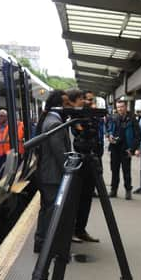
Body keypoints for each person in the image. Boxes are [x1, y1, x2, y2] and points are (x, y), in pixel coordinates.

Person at [34, 90, 71, 253]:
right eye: (66, 103)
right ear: (60, 105)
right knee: (51, 212)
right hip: (52, 175)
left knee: (45, 209)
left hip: (45, 173)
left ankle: (40, 242)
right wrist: (69, 172)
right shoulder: (55, 123)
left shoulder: (47, 119)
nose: (68, 107)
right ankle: (49, 247)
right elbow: (60, 154)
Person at [73, 90, 100, 243]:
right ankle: (72, 231)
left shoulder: (92, 117)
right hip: (79, 163)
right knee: (76, 199)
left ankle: (81, 229)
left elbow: (94, 136)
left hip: (92, 160)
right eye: (87, 100)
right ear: (81, 100)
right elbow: (78, 136)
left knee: (86, 199)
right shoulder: (76, 118)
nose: (90, 102)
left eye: (92, 100)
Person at [107, 101, 141, 200]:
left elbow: (138, 135)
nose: (120, 109)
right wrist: (109, 136)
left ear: (126, 107)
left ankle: (128, 190)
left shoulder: (132, 119)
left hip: (127, 149)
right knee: (114, 170)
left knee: (126, 171)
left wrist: (133, 149)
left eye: (122, 107)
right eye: (118, 107)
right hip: (114, 148)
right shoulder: (113, 118)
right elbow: (108, 130)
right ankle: (114, 190)